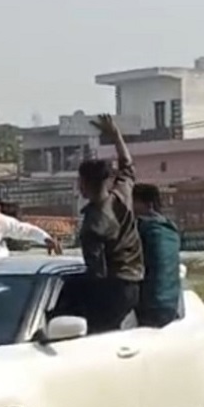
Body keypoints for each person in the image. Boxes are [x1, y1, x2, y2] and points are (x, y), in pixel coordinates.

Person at [78, 114, 144, 333]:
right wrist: (116, 135)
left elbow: (96, 273)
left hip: (114, 289)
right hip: (134, 283)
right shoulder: (121, 195)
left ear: (84, 184)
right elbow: (128, 166)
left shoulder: (93, 224)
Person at [131, 184, 182, 327]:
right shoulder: (170, 228)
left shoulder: (142, 229)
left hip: (150, 305)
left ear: (149, 205)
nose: (131, 208)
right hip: (172, 304)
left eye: (134, 203)